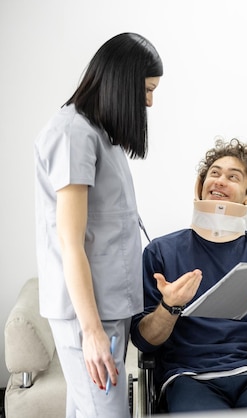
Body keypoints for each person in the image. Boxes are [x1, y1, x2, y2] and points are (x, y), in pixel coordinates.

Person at [34, 33, 162, 417]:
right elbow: (69, 243)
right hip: (88, 314)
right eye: (147, 90)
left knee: (86, 409)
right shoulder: (73, 135)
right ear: (123, 83)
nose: (150, 102)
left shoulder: (101, 134)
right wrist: (90, 332)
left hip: (109, 306)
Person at [129, 138, 247, 413]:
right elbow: (143, 340)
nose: (220, 180)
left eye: (233, 176)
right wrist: (169, 306)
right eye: (214, 173)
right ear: (200, 186)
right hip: (188, 378)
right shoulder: (161, 252)